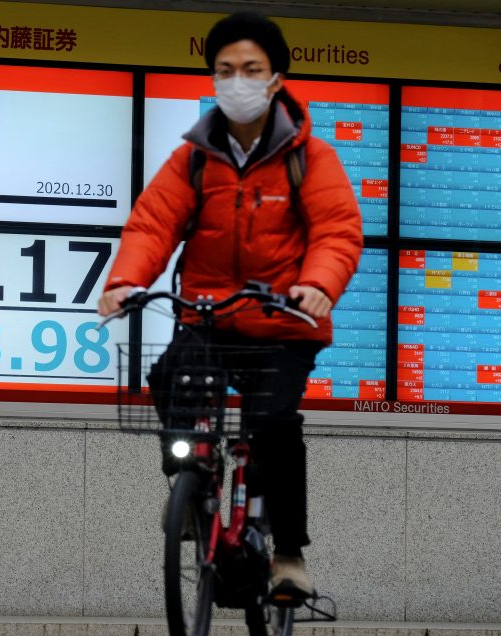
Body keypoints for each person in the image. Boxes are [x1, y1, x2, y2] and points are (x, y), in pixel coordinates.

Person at [97, 12, 363, 599]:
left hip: (284, 322)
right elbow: (153, 224)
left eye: (250, 69)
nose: (236, 81)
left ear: (275, 79)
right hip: (210, 315)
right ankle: (193, 482)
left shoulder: (308, 157)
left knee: (273, 426)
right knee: (169, 377)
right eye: (224, 70)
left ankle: (288, 556)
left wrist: (317, 284)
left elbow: (338, 230)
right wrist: (124, 280)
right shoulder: (194, 158)